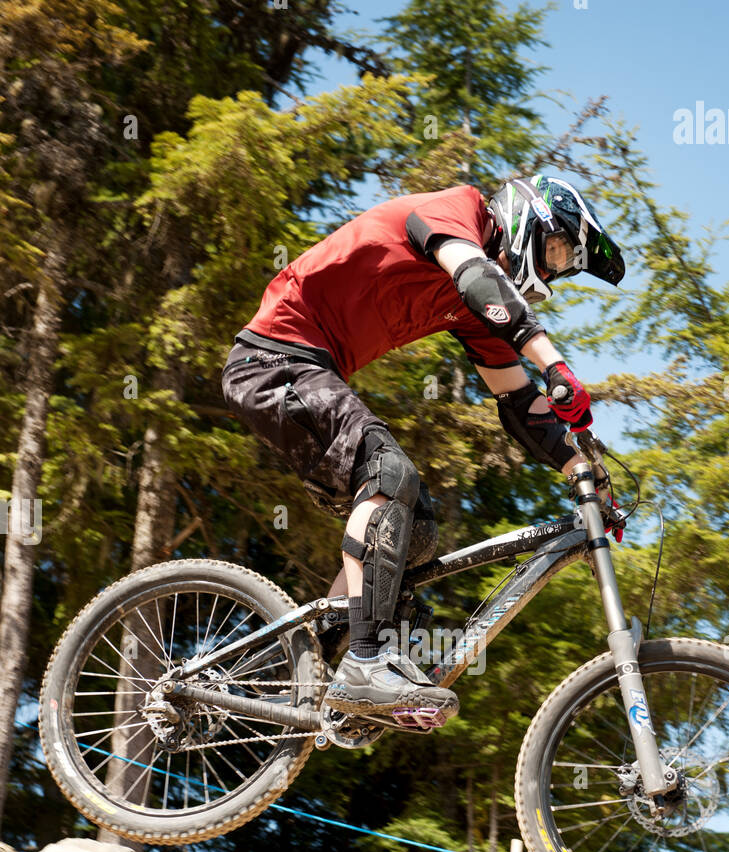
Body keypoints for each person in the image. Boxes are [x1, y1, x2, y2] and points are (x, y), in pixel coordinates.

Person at [221, 172, 625, 727]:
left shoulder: (471, 308)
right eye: (556, 252)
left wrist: (584, 469)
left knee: (417, 534)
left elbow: (520, 404)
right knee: (388, 473)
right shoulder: (456, 213)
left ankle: (316, 649)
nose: (551, 273)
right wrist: (552, 359)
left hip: (308, 372)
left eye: (560, 267)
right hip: (273, 359)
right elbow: (478, 276)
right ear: (531, 216)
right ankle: (366, 659)